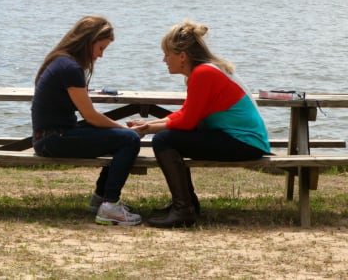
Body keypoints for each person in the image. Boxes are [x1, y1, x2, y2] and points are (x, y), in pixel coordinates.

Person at [129, 20, 271, 228]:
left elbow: (187, 122)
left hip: (245, 142)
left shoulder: (203, 73)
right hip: (243, 140)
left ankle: (183, 209)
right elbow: (187, 114)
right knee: (168, 138)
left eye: (168, 54)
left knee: (164, 140)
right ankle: (187, 205)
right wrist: (149, 123)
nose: (164, 60)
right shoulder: (204, 71)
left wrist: (149, 128)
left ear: (183, 56)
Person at [31, 15, 142, 226]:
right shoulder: (70, 68)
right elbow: (90, 116)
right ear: (87, 42)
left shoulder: (61, 61)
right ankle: (109, 206)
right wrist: (126, 129)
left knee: (120, 138)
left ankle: (101, 199)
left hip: (48, 137)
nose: (101, 55)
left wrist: (119, 130)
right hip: (53, 139)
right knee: (128, 140)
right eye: (101, 48)